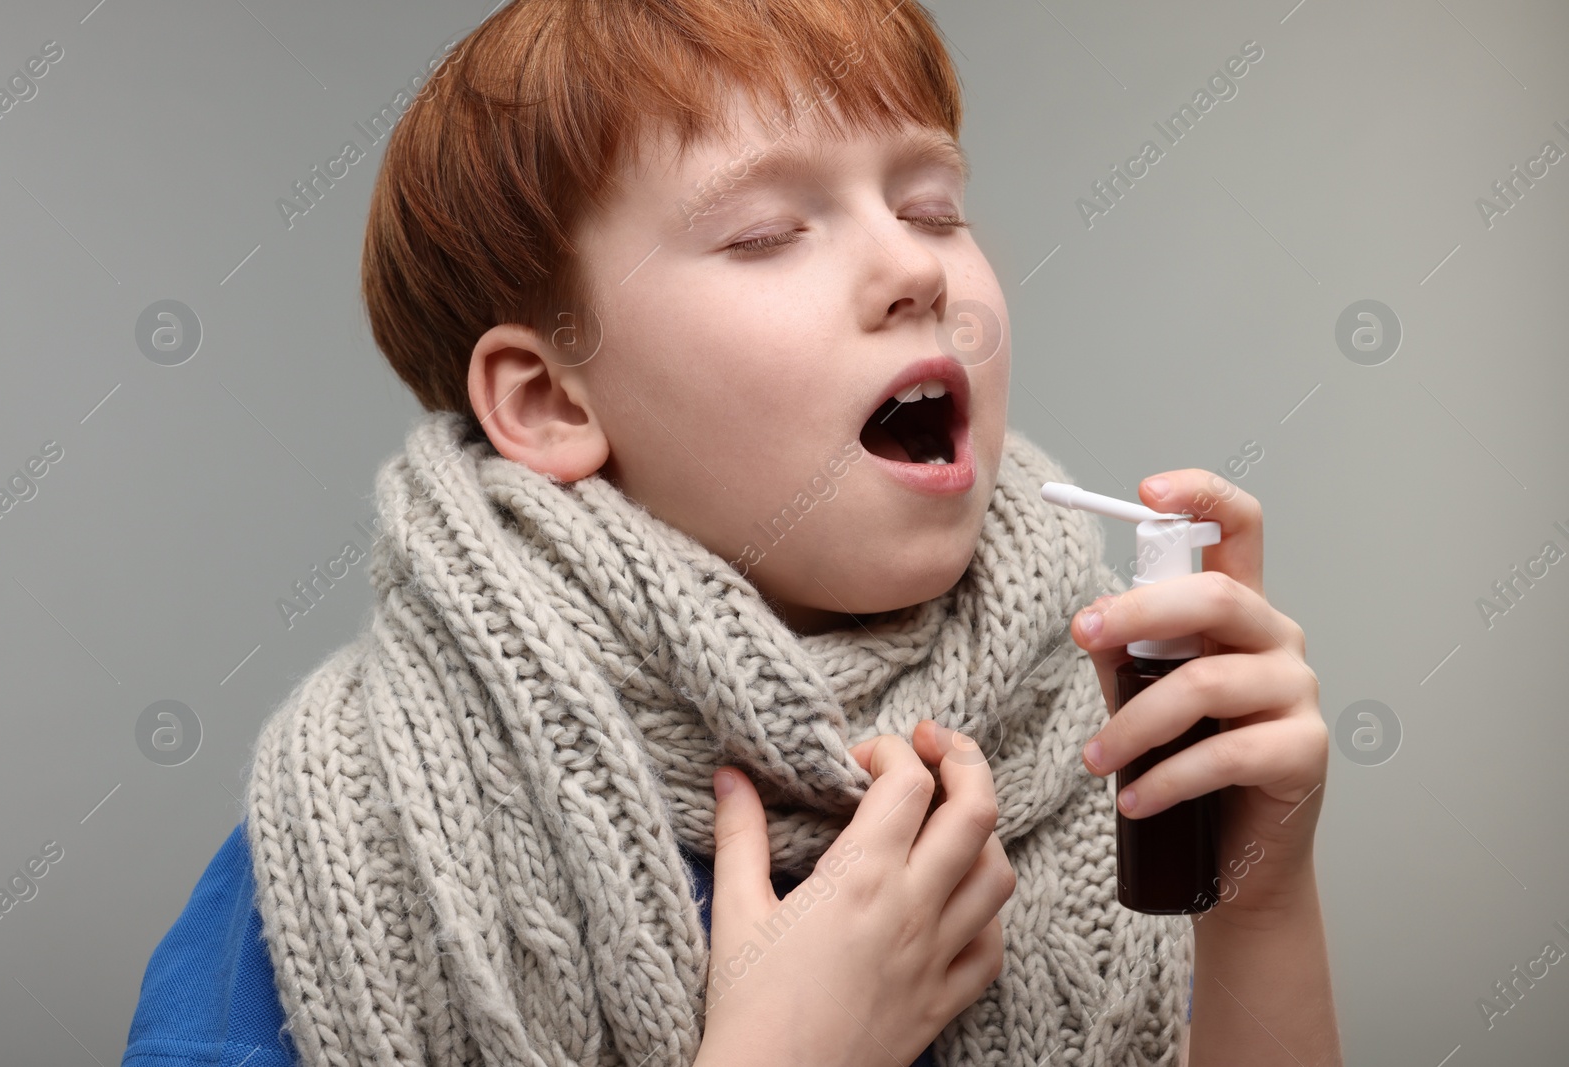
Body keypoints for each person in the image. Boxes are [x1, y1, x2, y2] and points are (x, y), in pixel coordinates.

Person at [122, 2, 1341, 1065]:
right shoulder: (358, 852)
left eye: (931, 205)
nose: (911, 269)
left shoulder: (1106, 756)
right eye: (765, 234)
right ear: (552, 402)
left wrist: (1258, 898)